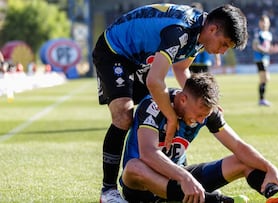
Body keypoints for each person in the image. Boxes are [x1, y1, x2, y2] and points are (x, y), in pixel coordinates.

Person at [92, 3, 248, 202]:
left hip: (140, 59)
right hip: (115, 50)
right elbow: (154, 81)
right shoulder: (181, 31)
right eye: (224, 44)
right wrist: (171, 118)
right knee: (123, 116)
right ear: (213, 29)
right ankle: (108, 191)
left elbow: (181, 69)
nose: (223, 51)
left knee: (160, 107)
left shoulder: (199, 35)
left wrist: (199, 100)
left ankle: (163, 175)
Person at [120, 72, 278, 203]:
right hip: (142, 189)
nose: (200, 121)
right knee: (134, 167)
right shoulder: (154, 105)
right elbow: (147, 153)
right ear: (183, 99)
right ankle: (218, 202)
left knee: (244, 160)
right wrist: (185, 177)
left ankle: (274, 193)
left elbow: (237, 145)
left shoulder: (207, 112)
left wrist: (270, 168)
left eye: (205, 116)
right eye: (199, 114)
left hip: (182, 184)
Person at [252, 15, 278, 107]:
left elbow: (268, 47)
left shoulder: (269, 34)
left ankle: (262, 99)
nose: (265, 24)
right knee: (264, 78)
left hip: (266, 59)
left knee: (264, 79)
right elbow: (255, 46)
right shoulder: (258, 33)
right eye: (263, 22)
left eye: (267, 22)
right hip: (259, 58)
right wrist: (266, 50)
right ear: (260, 23)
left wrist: (272, 49)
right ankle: (261, 100)